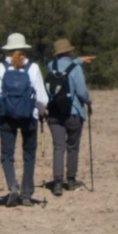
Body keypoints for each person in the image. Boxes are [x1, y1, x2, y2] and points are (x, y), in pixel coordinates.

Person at [0, 32, 48, 207]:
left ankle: (12, 186)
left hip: (6, 116)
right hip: (28, 116)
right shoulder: (33, 68)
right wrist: (41, 112)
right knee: (29, 155)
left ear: (7, 50)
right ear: (24, 49)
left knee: (7, 155)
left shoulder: (0, 68)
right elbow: (42, 98)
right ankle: (26, 194)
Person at [43, 38, 93, 196]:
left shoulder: (51, 66)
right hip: (73, 112)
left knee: (58, 147)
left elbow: (64, 65)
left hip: (54, 113)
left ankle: (57, 182)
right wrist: (89, 102)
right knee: (72, 147)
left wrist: (79, 60)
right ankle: (71, 179)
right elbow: (82, 92)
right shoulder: (76, 69)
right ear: (69, 51)